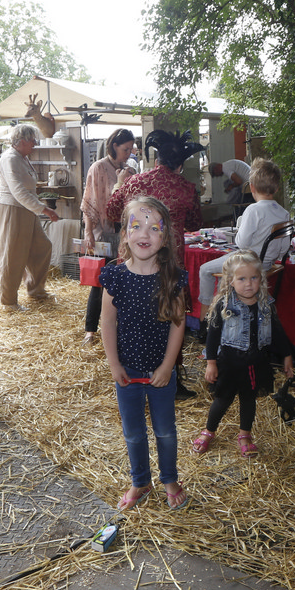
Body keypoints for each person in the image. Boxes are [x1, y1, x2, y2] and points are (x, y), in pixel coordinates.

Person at [100, 196, 190, 511]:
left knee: (165, 430)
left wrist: (167, 366)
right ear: (125, 234)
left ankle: (170, 479)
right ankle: (140, 481)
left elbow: (178, 324)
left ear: (164, 239)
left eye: (154, 228)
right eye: (137, 226)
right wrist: (114, 364)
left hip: (161, 372)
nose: (145, 234)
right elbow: (106, 323)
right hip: (127, 371)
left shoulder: (172, 277)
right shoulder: (115, 277)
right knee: (134, 433)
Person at [105, 130, 205, 398]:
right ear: (180, 164)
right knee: (171, 317)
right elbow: (196, 222)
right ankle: (171, 374)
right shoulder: (186, 188)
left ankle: (126, 371)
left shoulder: (134, 182)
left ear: (157, 158)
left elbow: (112, 211)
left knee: (128, 317)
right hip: (169, 262)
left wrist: (119, 186)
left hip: (132, 262)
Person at [195, 250, 295, 459]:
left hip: (255, 362)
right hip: (229, 363)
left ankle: (245, 435)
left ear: (261, 279)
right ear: (231, 281)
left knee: (249, 400)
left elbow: (277, 331)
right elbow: (213, 336)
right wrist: (211, 363)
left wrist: (287, 355)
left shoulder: (266, 304)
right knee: (222, 400)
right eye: (241, 279)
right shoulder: (224, 305)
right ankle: (209, 430)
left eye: (254, 278)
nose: (248, 284)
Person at [197, 158, 290, 307]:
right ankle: (227, 307)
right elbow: (284, 249)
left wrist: (240, 231)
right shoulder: (284, 213)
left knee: (204, 269)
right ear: (277, 188)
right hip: (268, 264)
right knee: (224, 274)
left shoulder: (253, 210)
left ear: (251, 187)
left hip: (249, 263)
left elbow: (241, 243)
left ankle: (207, 312)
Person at [0, 124, 59, 309]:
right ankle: (8, 302)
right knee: (12, 255)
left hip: (27, 210)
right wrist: (44, 209)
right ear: (21, 141)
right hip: (12, 209)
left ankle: (35, 289)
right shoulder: (10, 158)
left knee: (42, 247)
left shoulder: (22, 158)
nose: (35, 143)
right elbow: (18, 191)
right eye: (32, 140)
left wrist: (38, 208)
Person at [80, 129, 135, 343]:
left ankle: (118, 329)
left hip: (124, 231)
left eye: (131, 149)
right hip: (103, 231)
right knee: (99, 283)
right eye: (125, 149)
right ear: (114, 146)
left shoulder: (129, 169)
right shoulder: (99, 167)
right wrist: (88, 232)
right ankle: (90, 330)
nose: (129, 153)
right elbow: (90, 201)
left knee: (122, 281)